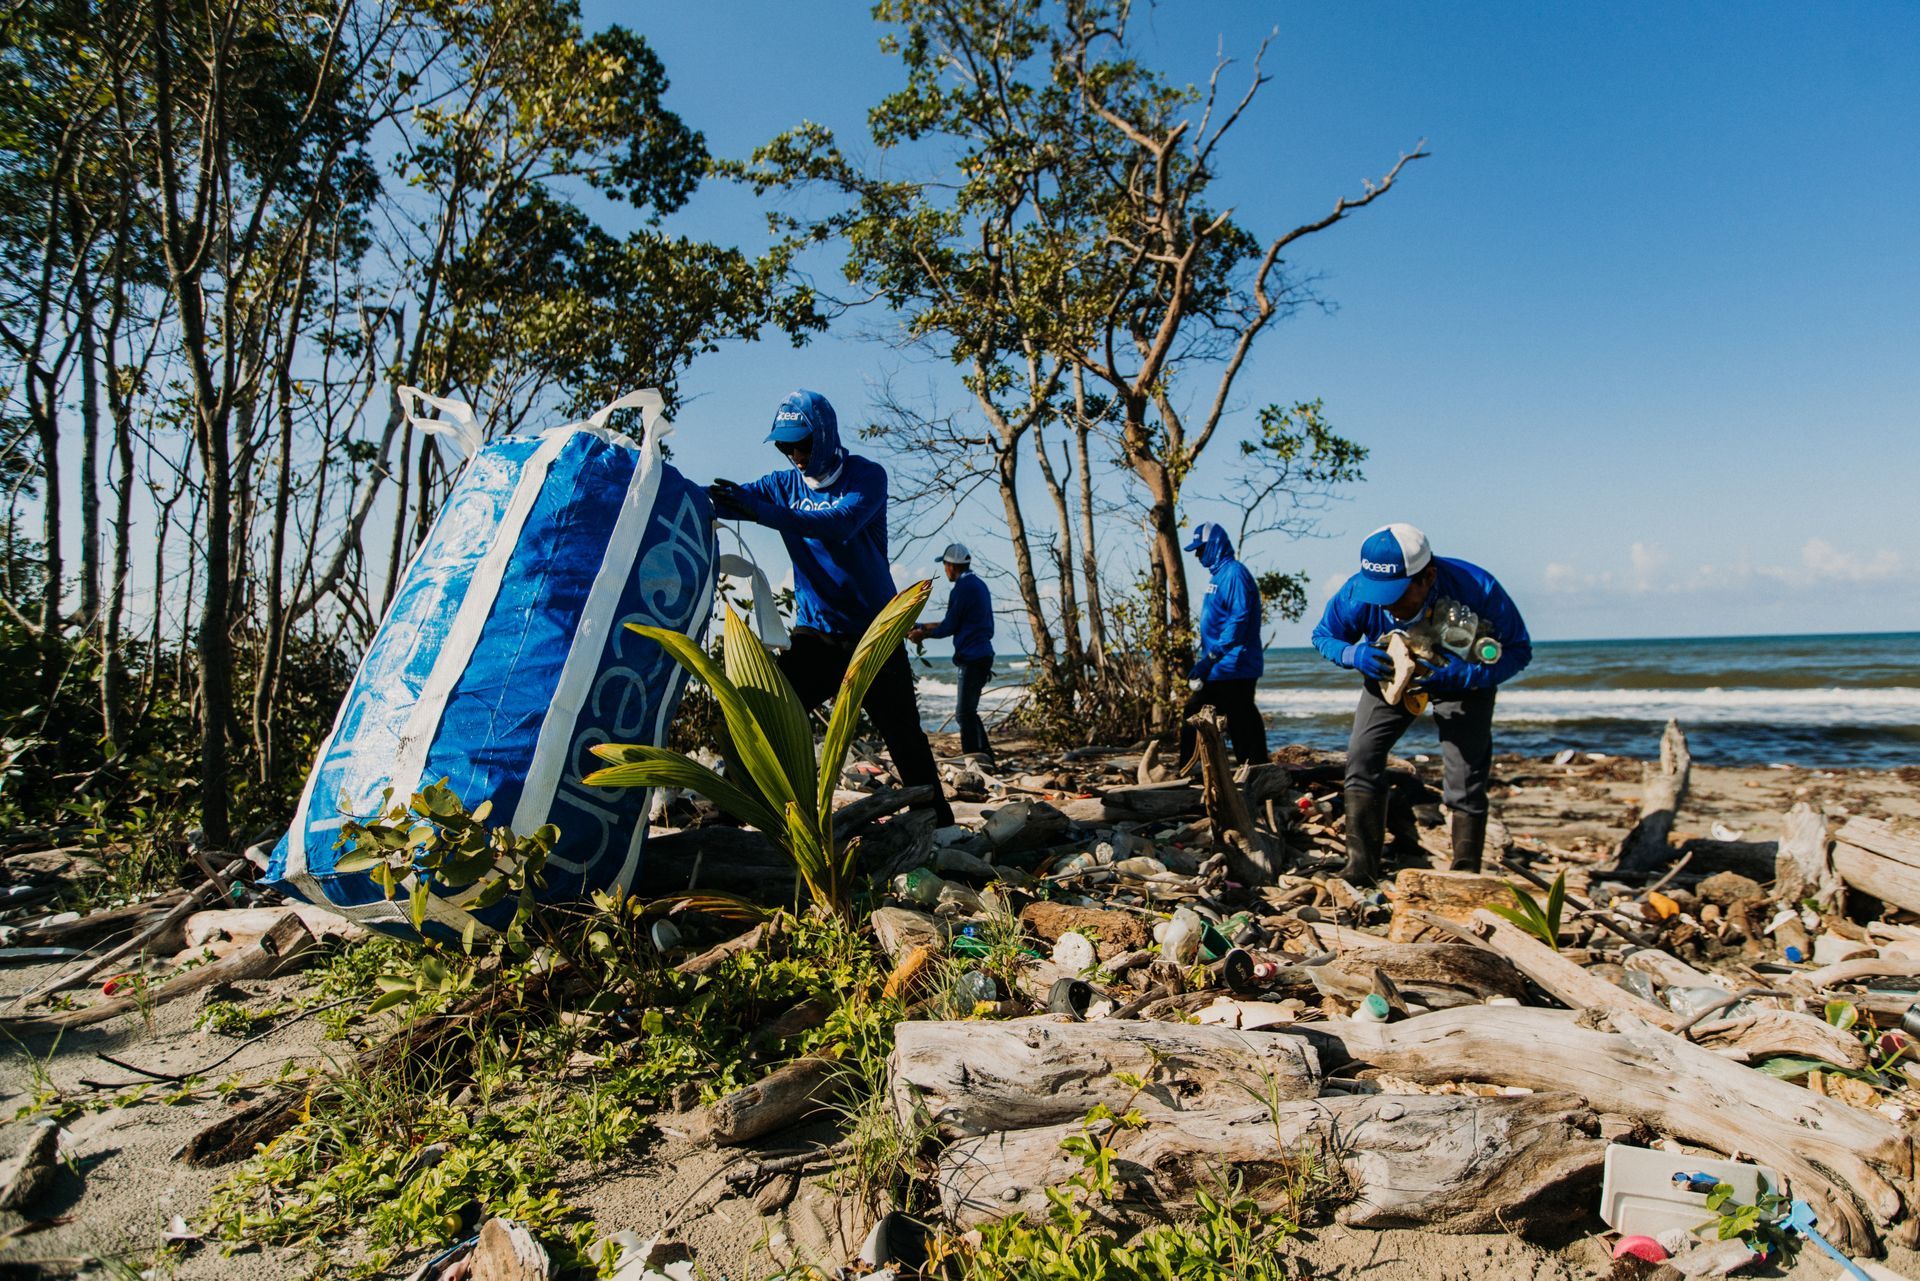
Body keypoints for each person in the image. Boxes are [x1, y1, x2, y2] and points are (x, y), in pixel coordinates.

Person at [707, 390, 954, 826]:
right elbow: (720, 499)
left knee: (903, 735)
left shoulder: (866, 477)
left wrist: (763, 513)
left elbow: (839, 525)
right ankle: (732, 811)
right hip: (816, 634)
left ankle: (939, 824)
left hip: (874, 633)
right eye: (785, 446)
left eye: (802, 444)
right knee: (761, 714)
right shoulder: (780, 487)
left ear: (823, 436)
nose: (795, 455)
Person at [1311, 523, 1531, 881]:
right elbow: (1324, 636)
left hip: (1464, 678)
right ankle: (1361, 868)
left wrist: (1464, 675)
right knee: (1363, 753)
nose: (1386, 604)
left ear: (1427, 577)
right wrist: (1354, 653)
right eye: (1378, 593)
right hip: (1391, 673)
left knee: (1465, 774)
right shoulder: (1357, 593)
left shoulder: (1478, 587)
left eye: (1396, 594)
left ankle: (1464, 875)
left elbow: (1519, 651)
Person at [1178, 522, 1268, 767]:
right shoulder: (1219, 575)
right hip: (1221, 666)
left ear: (1214, 545)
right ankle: (1253, 768)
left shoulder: (1235, 574)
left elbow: (1239, 618)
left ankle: (1254, 771)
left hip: (1234, 665)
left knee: (1232, 718)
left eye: (1200, 549)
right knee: (1238, 718)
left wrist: (1212, 657)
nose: (1197, 556)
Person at [909, 544, 996, 763]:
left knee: (964, 713)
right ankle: (985, 755)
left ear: (951, 566)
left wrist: (922, 635)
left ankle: (974, 759)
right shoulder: (978, 585)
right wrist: (920, 626)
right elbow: (956, 623)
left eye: (945, 565)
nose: (945, 570)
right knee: (969, 711)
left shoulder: (962, 588)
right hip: (982, 653)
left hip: (972, 656)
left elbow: (948, 627)